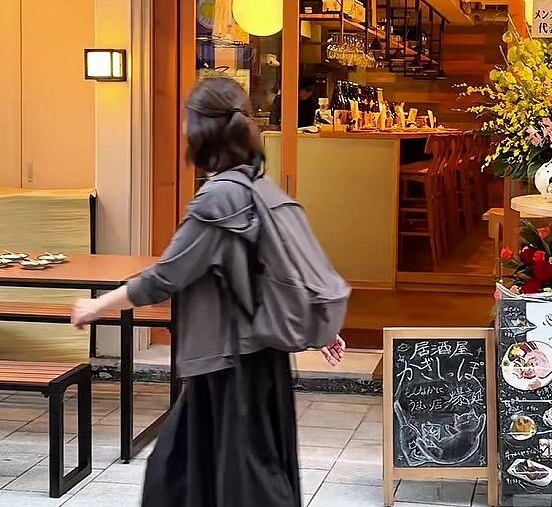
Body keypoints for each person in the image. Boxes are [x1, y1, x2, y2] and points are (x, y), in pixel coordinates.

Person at [71, 77, 346, 507]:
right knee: (217, 481)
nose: (183, 128)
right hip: (259, 365)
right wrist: (319, 326)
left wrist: (96, 305)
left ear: (201, 129)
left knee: (207, 484)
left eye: (187, 119)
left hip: (229, 368)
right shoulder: (259, 187)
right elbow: (283, 270)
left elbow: (164, 277)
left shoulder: (219, 199)